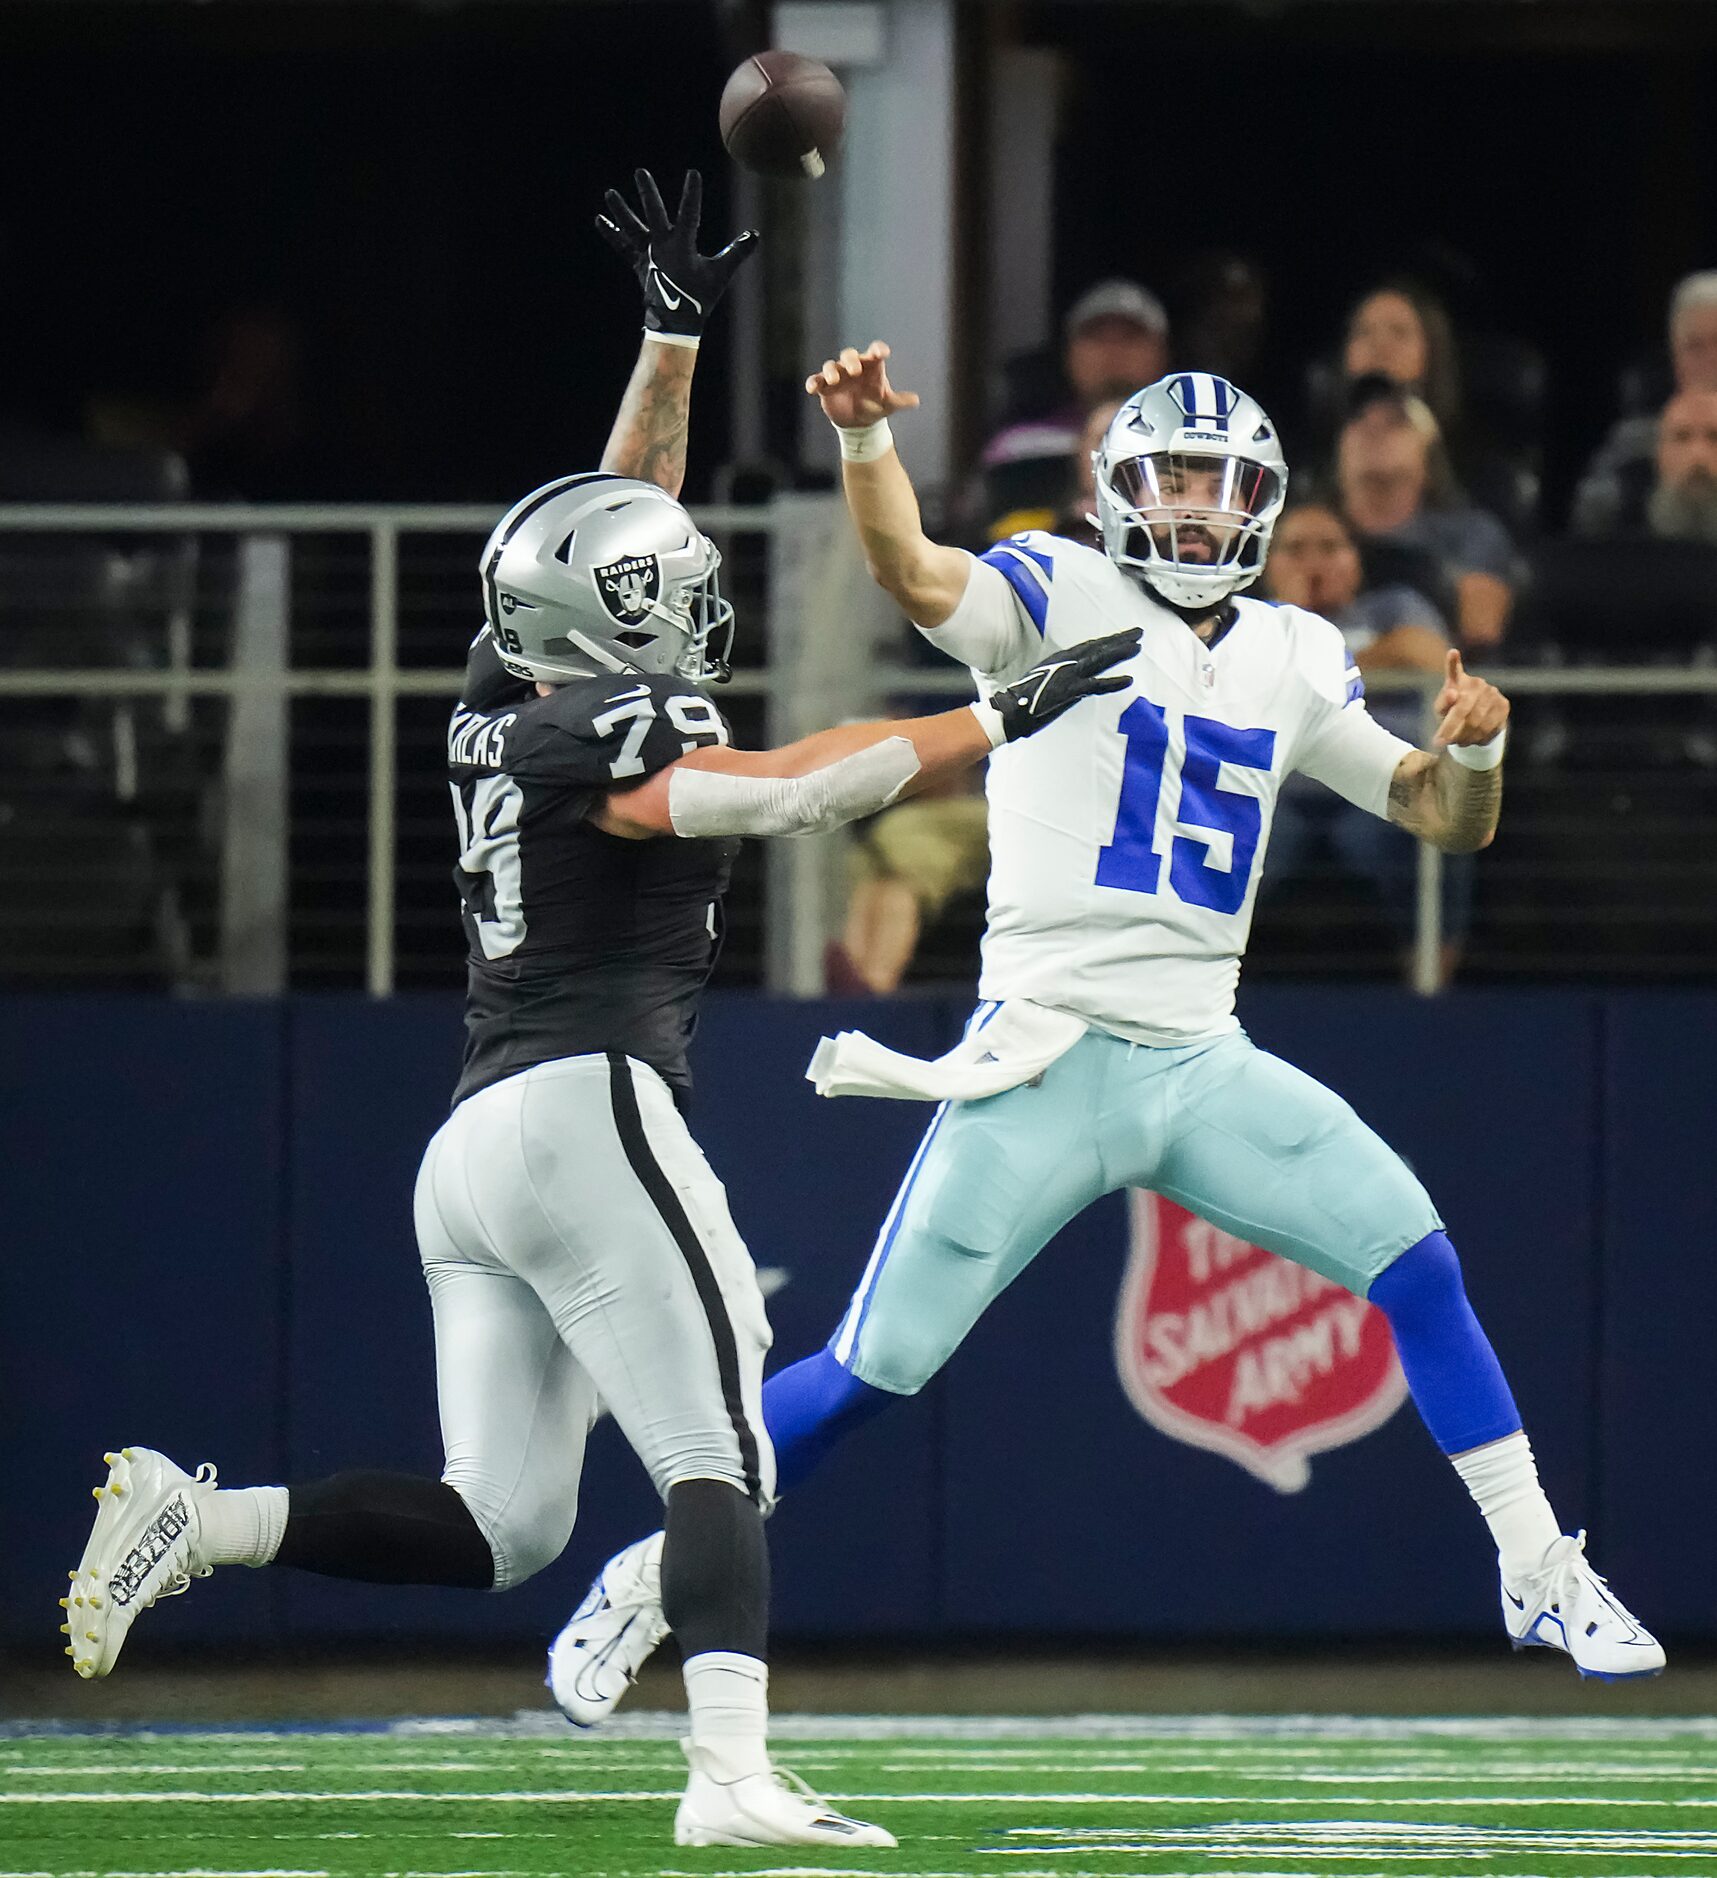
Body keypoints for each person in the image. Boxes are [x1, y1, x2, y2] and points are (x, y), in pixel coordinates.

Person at [58, 174, 1133, 1853]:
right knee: (722, 1442)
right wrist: (987, 722)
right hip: (584, 1107)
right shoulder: (603, 743)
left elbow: (608, 509)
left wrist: (673, 334)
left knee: (501, 1524)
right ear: (615, 622)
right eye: (672, 587)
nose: (690, 590)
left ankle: (204, 1517)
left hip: (475, 1146)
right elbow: (781, 792)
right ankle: (727, 1775)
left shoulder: (508, 684)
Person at [550, 347, 1664, 1722]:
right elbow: (909, 570)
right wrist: (861, 446)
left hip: (1202, 1059)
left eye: (1219, 486)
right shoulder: (1052, 586)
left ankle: (1536, 1564)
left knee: (1416, 1258)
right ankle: (648, 1580)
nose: (1195, 511)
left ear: (1258, 502)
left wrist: (1478, 750)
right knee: (864, 1373)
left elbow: (1436, 813)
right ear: (1118, 487)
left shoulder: (1297, 651)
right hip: (1043, 1057)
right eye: (1173, 479)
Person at [1260, 500, 1472, 984]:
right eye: (1295, 550)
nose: (1314, 563)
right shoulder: (1257, 618)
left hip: (1378, 785)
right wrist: (1375, 664)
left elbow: (1429, 658)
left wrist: (1310, 674)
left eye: (1331, 547)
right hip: (1280, 792)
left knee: (1421, 832)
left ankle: (1431, 987)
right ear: (1269, 565)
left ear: (1356, 559)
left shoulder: (1394, 606)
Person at [979, 279, 1169, 540]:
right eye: (1096, 337)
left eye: (1131, 337)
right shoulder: (1019, 448)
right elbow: (986, 539)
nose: (1112, 352)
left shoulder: (1197, 444)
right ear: (1069, 353)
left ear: (1162, 351)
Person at [1336, 381, 1520, 649]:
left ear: (1429, 454)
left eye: (1394, 422)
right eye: (1360, 419)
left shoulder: (1473, 534)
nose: (1373, 430)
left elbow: (1479, 638)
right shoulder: (1301, 530)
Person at [1573, 270, 1717, 534]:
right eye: (1694, 347)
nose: (1710, 360)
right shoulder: (1635, 438)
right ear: (1674, 357)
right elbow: (1589, 515)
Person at [1574, 386, 1717, 546]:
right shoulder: (1617, 519)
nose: (1698, 455)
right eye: (1682, 437)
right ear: (1659, 454)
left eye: (1714, 438)